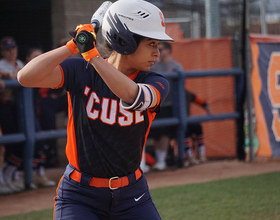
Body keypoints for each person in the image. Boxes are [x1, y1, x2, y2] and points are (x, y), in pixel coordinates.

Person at [18, 0, 172, 219]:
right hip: (79, 196)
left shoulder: (156, 81)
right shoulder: (82, 70)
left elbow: (132, 96)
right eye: (152, 44)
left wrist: (92, 56)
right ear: (124, 41)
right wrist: (72, 46)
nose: (157, 53)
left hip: (133, 195)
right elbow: (26, 77)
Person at [147, 41, 184, 171]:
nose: (158, 52)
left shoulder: (176, 66)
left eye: (161, 49)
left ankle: (162, 160)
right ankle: (156, 161)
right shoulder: (153, 66)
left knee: (164, 133)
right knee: (153, 133)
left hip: (169, 105)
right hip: (154, 104)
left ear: (168, 50)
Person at [0, 36, 25, 193]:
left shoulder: (20, 63)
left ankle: (10, 176)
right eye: (8, 49)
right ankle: (3, 179)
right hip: (4, 106)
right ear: (3, 51)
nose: (12, 52)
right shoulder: (1, 65)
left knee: (21, 142)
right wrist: (12, 76)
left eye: (13, 48)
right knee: (6, 144)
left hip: (20, 108)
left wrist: (16, 75)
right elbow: (3, 96)